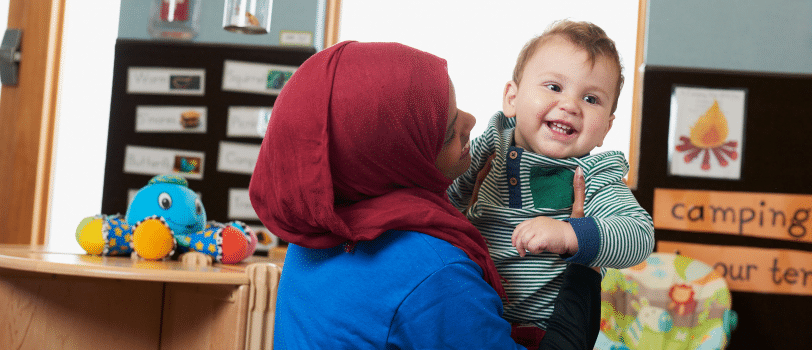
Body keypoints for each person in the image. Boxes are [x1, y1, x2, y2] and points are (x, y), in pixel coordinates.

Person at [249, 40, 601, 349]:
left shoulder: (315, 233)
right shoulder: (437, 273)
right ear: (397, 160)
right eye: (448, 132)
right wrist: (584, 255)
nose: (472, 120)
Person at [446, 20, 655, 348]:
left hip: (541, 330)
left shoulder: (593, 173)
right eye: (554, 87)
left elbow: (640, 235)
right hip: (467, 311)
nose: (571, 105)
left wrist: (569, 234)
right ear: (512, 99)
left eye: (591, 98)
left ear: (607, 128)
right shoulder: (492, 143)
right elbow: (445, 196)